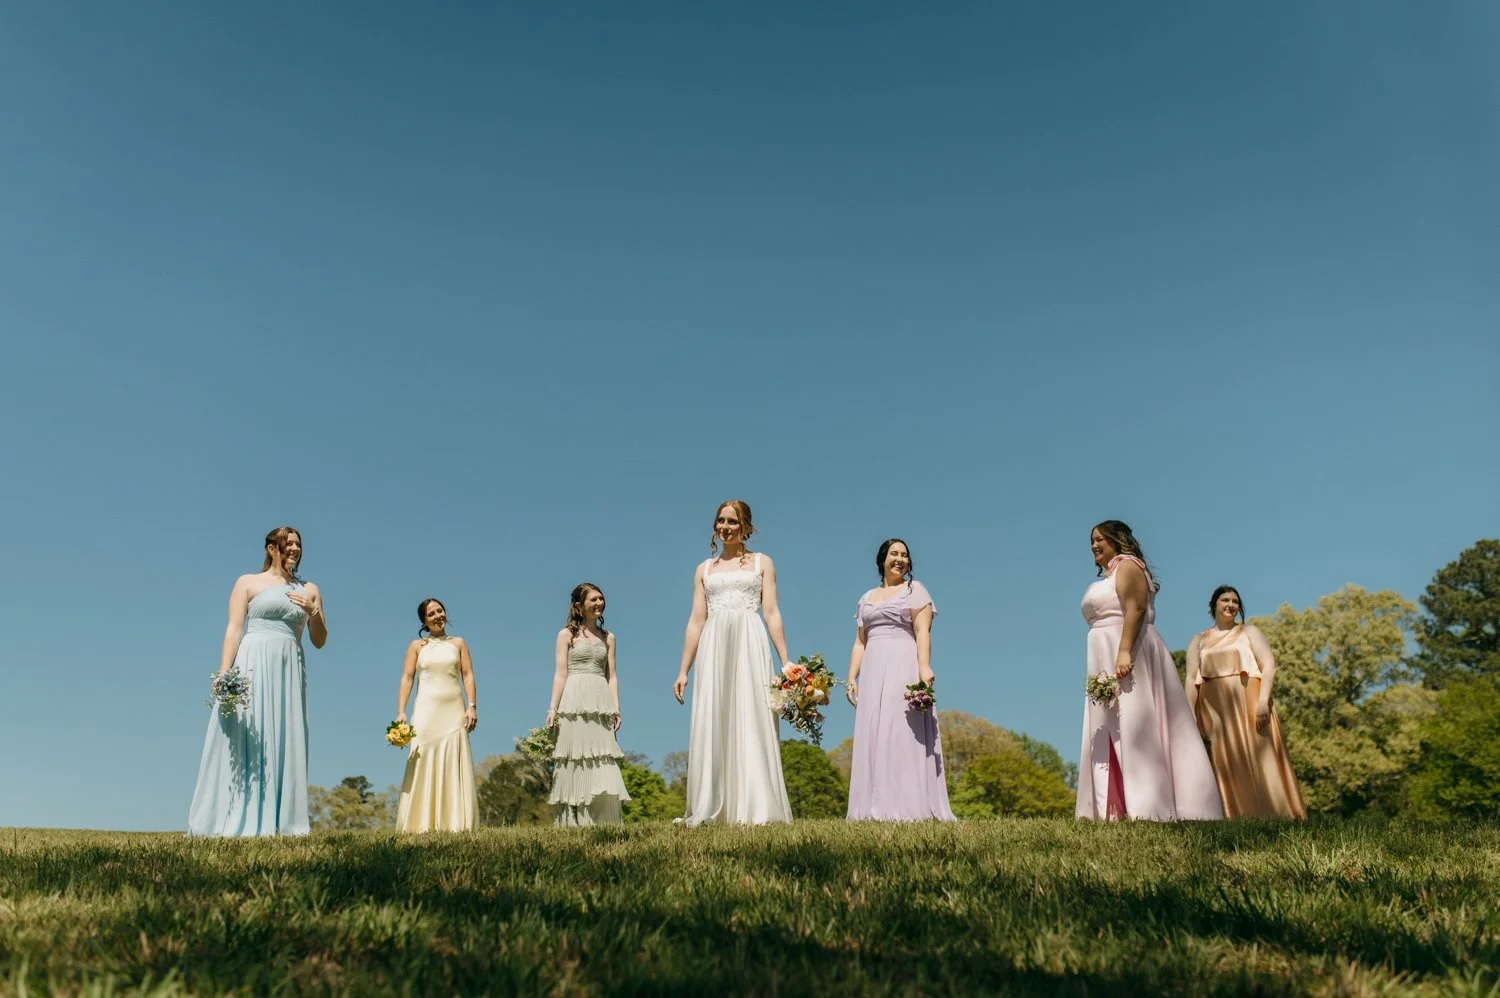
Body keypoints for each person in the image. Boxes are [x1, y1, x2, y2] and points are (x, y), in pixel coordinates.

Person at [1077, 520, 1222, 821]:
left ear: (1117, 540)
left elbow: (1136, 608)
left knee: (1135, 723)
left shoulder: (1128, 565)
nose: (1094, 545)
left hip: (1129, 649)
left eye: (1100, 539)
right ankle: (1112, 807)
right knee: (1109, 724)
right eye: (1092, 540)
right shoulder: (1111, 574)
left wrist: (1124, 652)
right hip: (1103, 652)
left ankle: (1150, 806)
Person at [188, 526, 326, 836]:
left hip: (289, 666)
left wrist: (313, 611)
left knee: (285, 733)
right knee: (248, 731)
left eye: (298, 544)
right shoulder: (248, 582)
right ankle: (234, 813)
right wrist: (224, 671)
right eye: (288, 543)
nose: (295, 548)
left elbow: (319, 640)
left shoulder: (310, 589)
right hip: (252, 663)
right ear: (271, 548)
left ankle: (282, 819)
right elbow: (234, 629)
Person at [673, 499, 793, 825]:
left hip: (749, 641)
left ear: (746, 527)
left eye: (733, 522)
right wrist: (684, 670)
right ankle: (713, 805)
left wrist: (786, 662)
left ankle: (756, 805)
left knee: (752, 713)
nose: (725, 527)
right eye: (721, 521)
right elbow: (696, 621)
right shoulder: (703, 569)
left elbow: (771, 613)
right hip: (714, 645)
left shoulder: (762, 563)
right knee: (715, 715)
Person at [846, 539, 955, 821]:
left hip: (902, 663)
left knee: (900, 729)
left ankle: (907, 804)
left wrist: (924, 666)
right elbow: (860, 642)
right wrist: (852, 676)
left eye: (904, 555)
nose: (900, 559)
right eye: (894, 554)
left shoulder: (915, 590)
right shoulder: (866, 597)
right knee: (874, 728)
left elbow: (922, 631)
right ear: (882, 559)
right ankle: (871, 805)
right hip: (873, 668)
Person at [1186, 586, 1306, 819]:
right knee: (1224, 760)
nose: (1230, 605)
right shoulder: (1198, 641)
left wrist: (1263, 702)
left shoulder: (1249, 632)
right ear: (1214, 605)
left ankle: (1278, 814)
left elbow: (1268, 666)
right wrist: (1189, 712)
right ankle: (1234, 816)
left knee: (1262, 757)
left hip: (1250, 703)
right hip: (1215, 711)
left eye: (1235, 601)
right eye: (1225, 600)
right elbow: (1191, 680)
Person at [546, 583, 631, 825]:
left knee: (602, 757)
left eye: (601, 598)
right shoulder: (566, 635)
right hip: (574, 700)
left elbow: (612, 676)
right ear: (579, 605)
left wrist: (616, 708)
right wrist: (553, 708)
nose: (599, 603)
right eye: (593, 599)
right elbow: (560, 673)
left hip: (600, 700)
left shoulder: (608, 637)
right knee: (575, 757)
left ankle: (602, 821)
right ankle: (573, 821)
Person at [394, 598, 478, 832]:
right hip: (426, 711)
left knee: (452, 762)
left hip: (453, 710)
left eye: (440, 611)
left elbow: (468, 675)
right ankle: (418, 823)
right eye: (431, 614)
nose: (438, 616)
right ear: (424, 621)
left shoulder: (458, 643)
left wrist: (472, 706)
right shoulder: (416, 646)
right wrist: (401, 712)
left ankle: (455, 823)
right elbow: (407, 678)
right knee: (422, 759)